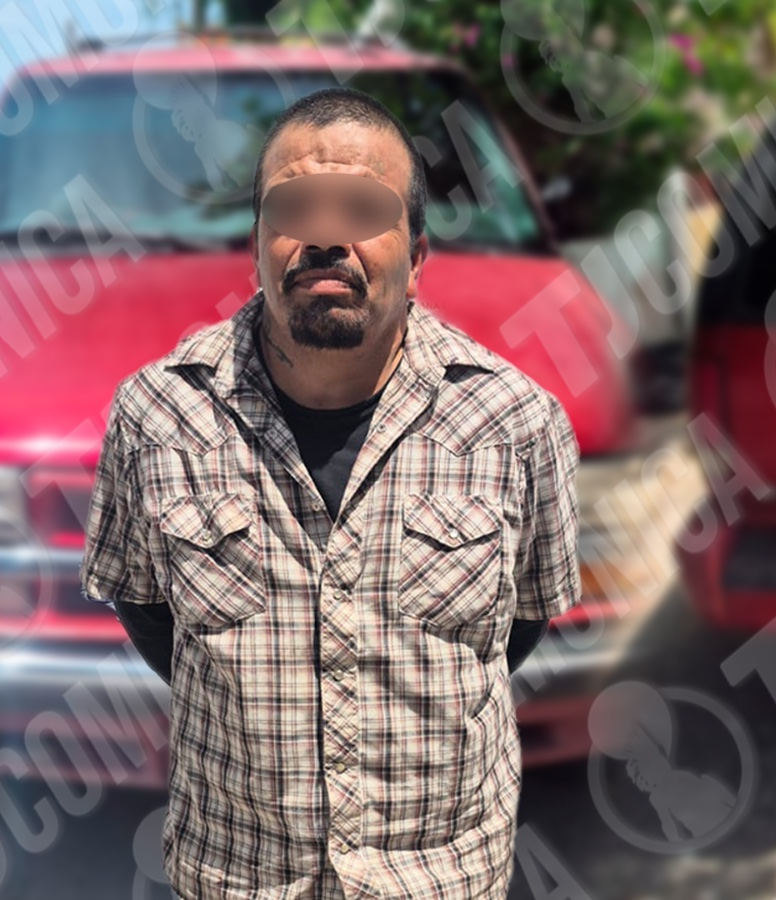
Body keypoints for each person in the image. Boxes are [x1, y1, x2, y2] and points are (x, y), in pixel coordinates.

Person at [79, 87, 581, 899]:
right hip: (238, 873)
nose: (324, 237)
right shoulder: (157, 415)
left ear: (418, 256)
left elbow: (518, 625)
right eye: (294, 209)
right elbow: (145, 610)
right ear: (256, 245)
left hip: (439, 879)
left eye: (362, 209)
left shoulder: (515, 422)